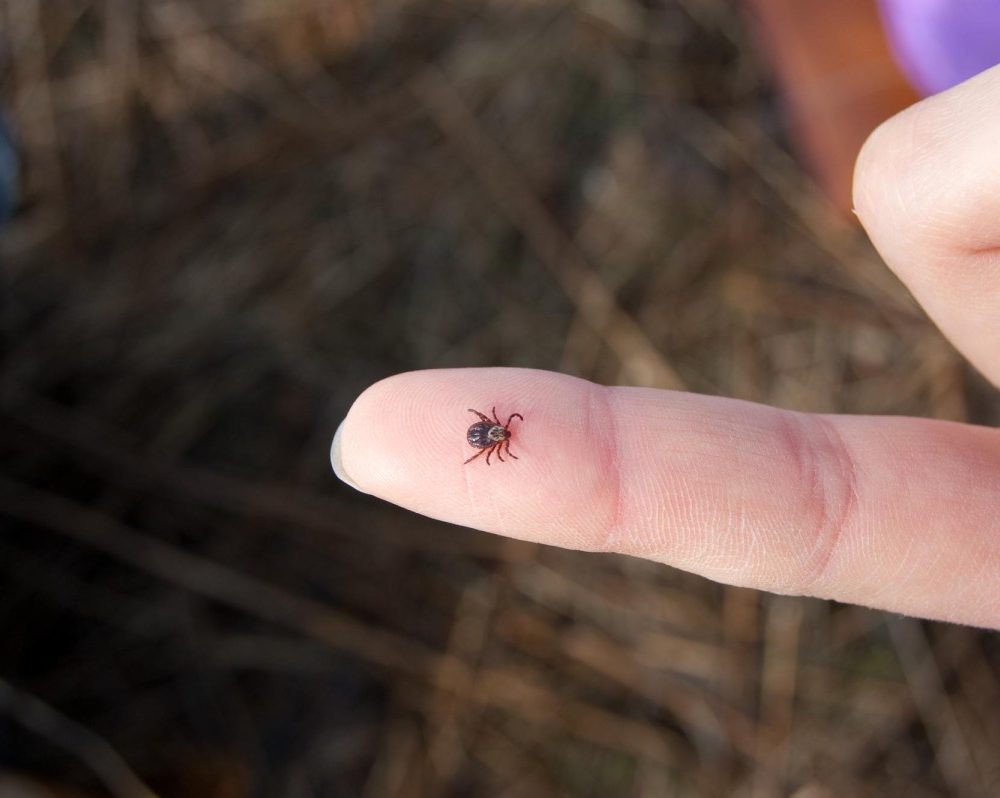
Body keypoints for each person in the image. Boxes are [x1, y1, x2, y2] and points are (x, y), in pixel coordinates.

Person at [332, 63, 1000, 630]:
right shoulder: (497, 433)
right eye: (495, 430)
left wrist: (490, 436)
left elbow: (487, 440)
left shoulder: (493, 435)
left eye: (492, 429)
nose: (495, 430)